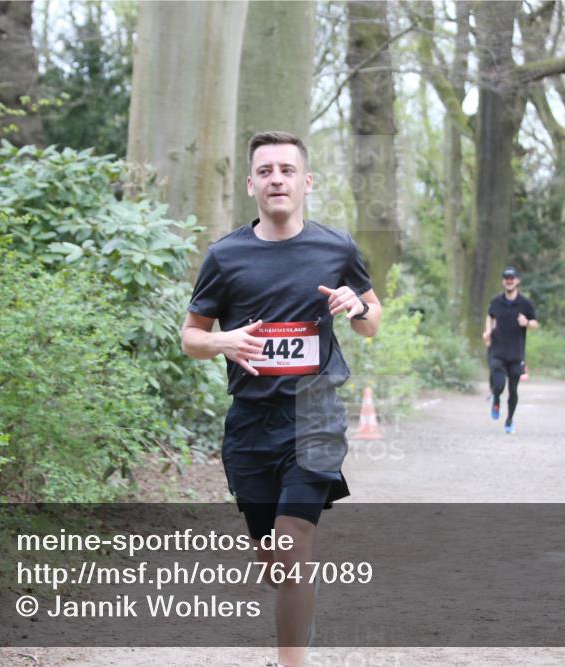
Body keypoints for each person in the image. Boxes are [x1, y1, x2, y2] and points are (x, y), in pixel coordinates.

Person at [181, 131, 381, 667]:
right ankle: (295, 613)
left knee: (293, 549)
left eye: (287, 170)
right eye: (266, 171)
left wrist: (356, 307)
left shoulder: (335, 249)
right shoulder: (225, 257)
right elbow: (191, 336)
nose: (277, 179)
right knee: (273, 561)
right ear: (251, 185)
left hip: (314, 418)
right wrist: (222, 340)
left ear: (306, 182)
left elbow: (372, 321)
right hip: (250, 424)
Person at [483, 266, 539, 434]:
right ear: (503, 281)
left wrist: (527, 323)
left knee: (513, 390)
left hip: (516, 353)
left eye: (512, 278)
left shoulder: (525, 303)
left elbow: (535, 323)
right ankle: (496, 399)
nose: (509, 281)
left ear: (517, 281)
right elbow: (490, 316)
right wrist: (487, 332)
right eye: (506, 278)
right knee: (499, 383)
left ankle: (509, 421)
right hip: (497, 350)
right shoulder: (495, 302)